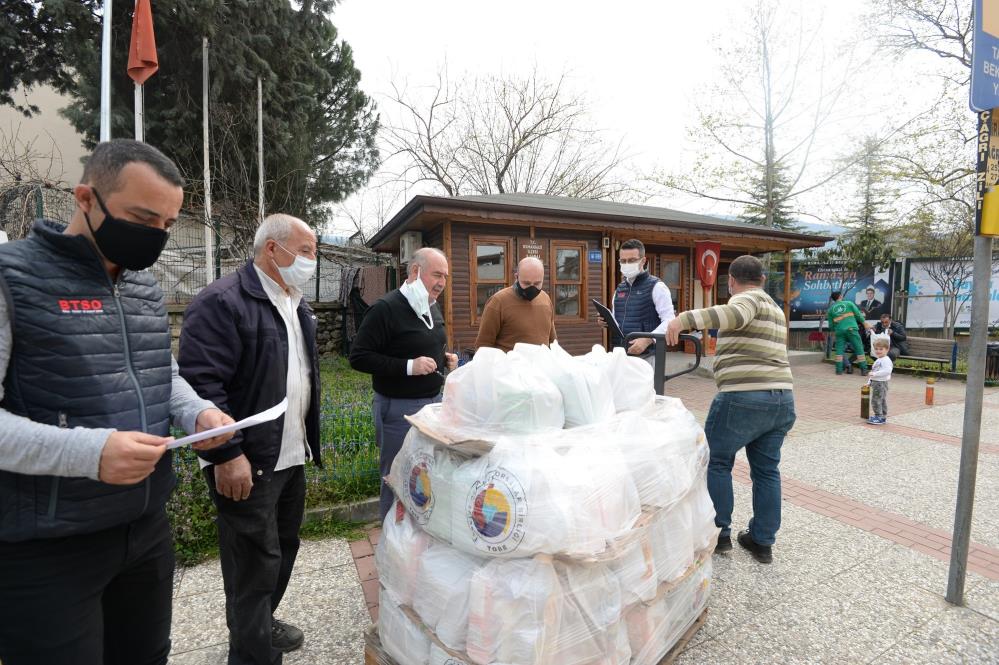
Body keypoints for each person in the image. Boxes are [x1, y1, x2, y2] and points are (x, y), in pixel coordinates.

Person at [0, 139, 235, 665]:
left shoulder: (144, 289)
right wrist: (90, 452)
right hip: (47, 547)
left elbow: (160, 372)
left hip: (145, 527)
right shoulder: (12, 277)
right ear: (85, 198)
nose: (156, 235)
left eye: (167, 224)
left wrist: (196, 411)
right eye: (142, 218)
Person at [179, 214, 323, 664]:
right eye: (306, 251)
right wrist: (226, 453)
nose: (313, 261)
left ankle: (259, 625)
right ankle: (251, 651)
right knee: (251, 568)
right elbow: (202, 386)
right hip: (247, 459)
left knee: (280, 552)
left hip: (290, 453)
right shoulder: (222, 302)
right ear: (272, 249)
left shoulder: (295, 303)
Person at [666, 255, 795, 564]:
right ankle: (762, 541)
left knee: (717, 462)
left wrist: (683, 319)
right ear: (763, 279)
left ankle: (719, 533)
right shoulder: (775, 309)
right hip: (781, 400)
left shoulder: (746, 300)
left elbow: (735, 314)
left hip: (743, 397)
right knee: (766, 470)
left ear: (732, 282)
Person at [349, 247, 457, 519]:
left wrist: (444, 359)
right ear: (415, 271)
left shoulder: (431, 305)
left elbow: (425, 342)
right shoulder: (385, 309)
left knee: (426, 476)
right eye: (437, 275)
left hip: (432, 406)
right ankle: (392, 537)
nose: (442, 282)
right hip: (399, 410)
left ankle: (416, 537)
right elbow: (359, 357)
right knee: (396, 477)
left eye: (445, 276)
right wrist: (409, 366)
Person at [611, 239, 675, 361]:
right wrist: (606, 321)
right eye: (623, 261)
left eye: (632, 260)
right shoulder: (619, 289)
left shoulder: (657, 287)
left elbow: (669, 320)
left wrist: (648, 339)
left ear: (643, 261)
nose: (627, 264)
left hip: (647, 356)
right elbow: (616, 320)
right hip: (621, 354)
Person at [475, 256, 556, 352]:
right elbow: (483, 346)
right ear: (516, 277)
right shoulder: (498, 301)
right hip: (507, 362)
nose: (532, 288)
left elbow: (553, 343)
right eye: (526, 283)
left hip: (541, 361)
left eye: (537, 283)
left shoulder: (546, 299)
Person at [827, 291, 869, 376]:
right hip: (851, 329)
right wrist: (865, 323)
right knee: (859, 348)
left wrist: (837, 329)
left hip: (839, 331)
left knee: (839, 351)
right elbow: (858, 315)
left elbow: (831, 325)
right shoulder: (849, 303)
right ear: (841, 296)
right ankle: (864, 370)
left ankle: (839, 370)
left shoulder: (830, 310)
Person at [867, 334, 893, 425]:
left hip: (880, 383)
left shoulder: (885, 360)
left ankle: (879, 416)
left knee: (876, 400)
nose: (878, 351)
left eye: (881, 349)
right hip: (877, 382)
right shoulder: (879, 360)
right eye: (876, 349)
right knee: (880, 399)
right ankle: (882, 416)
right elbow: (874, 371)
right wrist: (869, 382)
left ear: (887, 349)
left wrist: (874, 374)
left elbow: (887, 371)